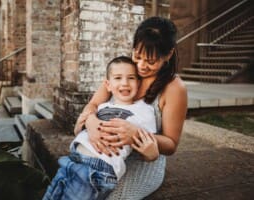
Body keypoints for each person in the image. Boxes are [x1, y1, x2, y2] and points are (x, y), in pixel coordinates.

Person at [75, 16, 187, 200]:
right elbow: (93, 104)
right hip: (103, 152)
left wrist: (136, 134)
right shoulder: (125, 69)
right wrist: (92, 121)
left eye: (151, 61)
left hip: (143, 161)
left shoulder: (174, 88)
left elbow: (171, 144)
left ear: (168, 55)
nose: (141, 66)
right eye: (137, 55)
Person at [42, 56, 159, 200]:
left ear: (139, 83)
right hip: (72, 159)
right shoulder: (102, 106)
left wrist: (151, 155)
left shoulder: (144, 110)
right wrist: (81, 127)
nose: (124, 83)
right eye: (118, 78)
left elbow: (147, 144)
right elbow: (80, 131)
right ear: (108, 85)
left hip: (97, 169)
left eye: (131, 78)